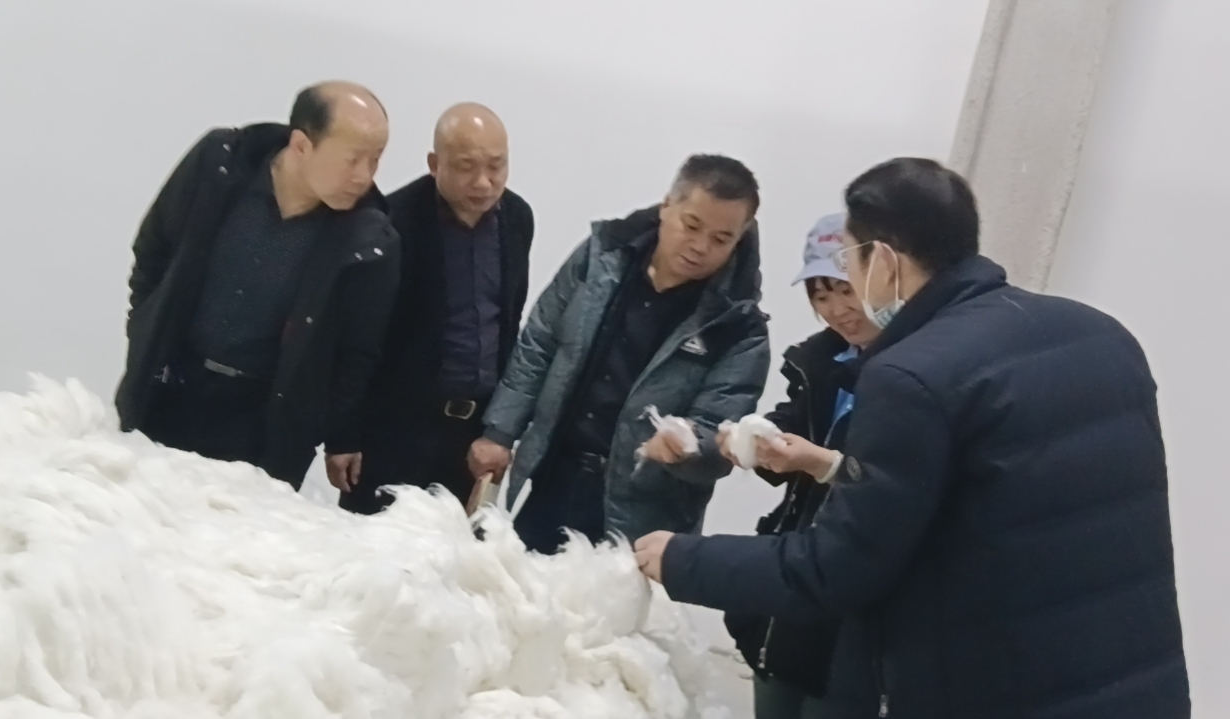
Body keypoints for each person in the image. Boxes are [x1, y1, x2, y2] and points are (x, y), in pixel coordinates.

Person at [635, 158, 1190, 718]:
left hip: (992, 686)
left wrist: (684, 559)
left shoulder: (912, 375)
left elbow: (838, 567)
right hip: (1128, 682)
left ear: (882, 260)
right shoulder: (1101, 336)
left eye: (849, 263)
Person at [468, 154, 769, 554]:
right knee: (511, 586)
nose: (700, 247)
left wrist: (689, 447)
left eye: (721, 239)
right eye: (691, 225)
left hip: (644, 514)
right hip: (551, 476)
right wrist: (500, 432)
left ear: (739, 237)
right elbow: (540, 342)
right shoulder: (602, 256)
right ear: (667, 206)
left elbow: (721, 432)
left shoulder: (739, 326)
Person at [114, 81, 401, 488]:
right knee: (133, 507)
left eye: (375, 160)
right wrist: (144, 329)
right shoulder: (219, 167)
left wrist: (336, 432)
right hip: (169, 387)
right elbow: (153, 250)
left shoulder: (369, 239)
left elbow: (357, 353)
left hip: (261, 421)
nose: (364, 177)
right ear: (301, 145)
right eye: (352, 160)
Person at [718, 213, 876, 719]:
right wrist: (751, 441)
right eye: (821, 296)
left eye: (846, 291)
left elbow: (885, 484)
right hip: (793, 581)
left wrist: (820, 462)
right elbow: (790, 431)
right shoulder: (819, 362)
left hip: (854, 602)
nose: (837, 310)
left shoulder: (914, 375)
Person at [341, 103, 535, 513]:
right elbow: (359, 336)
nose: (483, 182)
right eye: (466, 166)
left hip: (472, 437)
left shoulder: (517, 218)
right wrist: (344, 434)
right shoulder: (392, 221)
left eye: (496, 166)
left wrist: (502, 427)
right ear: (435, 164)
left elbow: (508, 321)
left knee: (452, 547)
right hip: (396, 430)